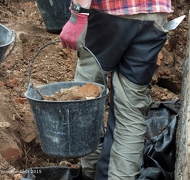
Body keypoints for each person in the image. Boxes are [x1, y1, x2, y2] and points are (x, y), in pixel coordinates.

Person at [60, 0, 173, 179]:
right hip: (154, 16)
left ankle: (89, 173)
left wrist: (78, 15)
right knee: (131, 109)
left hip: (109, 13)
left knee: (86, 98)